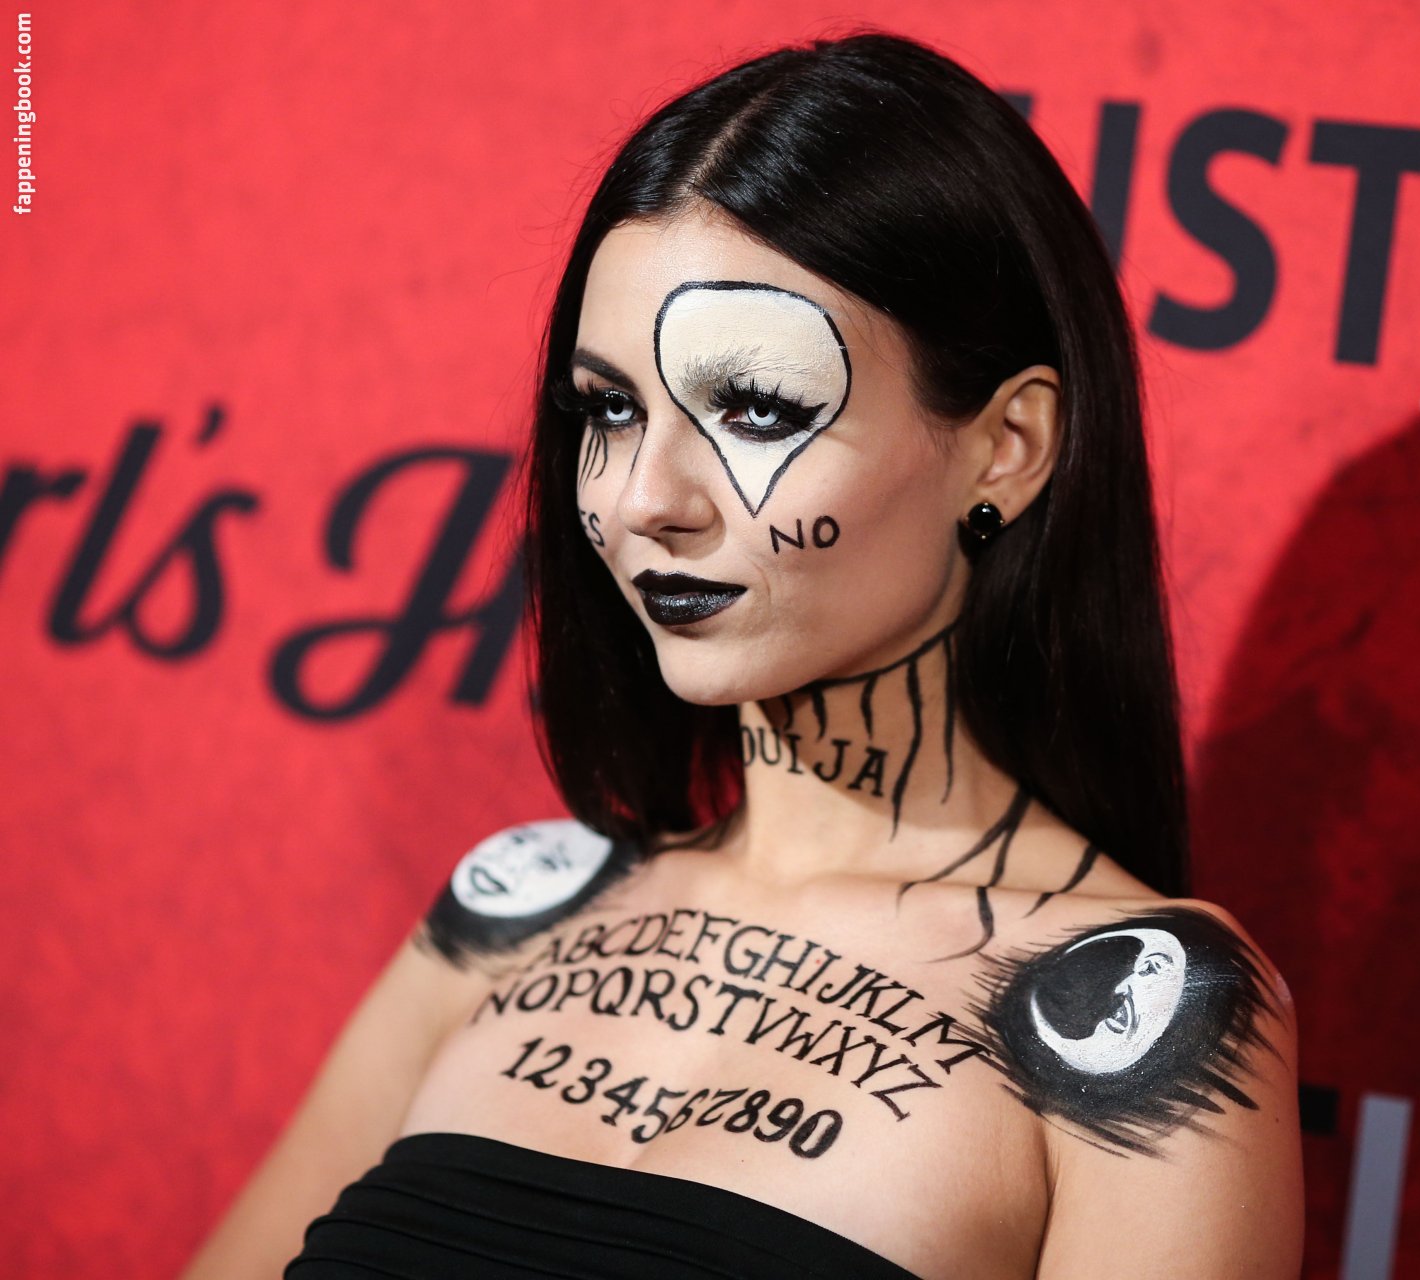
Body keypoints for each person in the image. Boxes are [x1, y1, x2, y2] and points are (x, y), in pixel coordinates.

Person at [181, 30, 1303, 1280]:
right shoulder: (513, 915)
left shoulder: (1145, 1016)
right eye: (609, 408)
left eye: (757, 408)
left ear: (1008, 447)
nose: (645, 497)